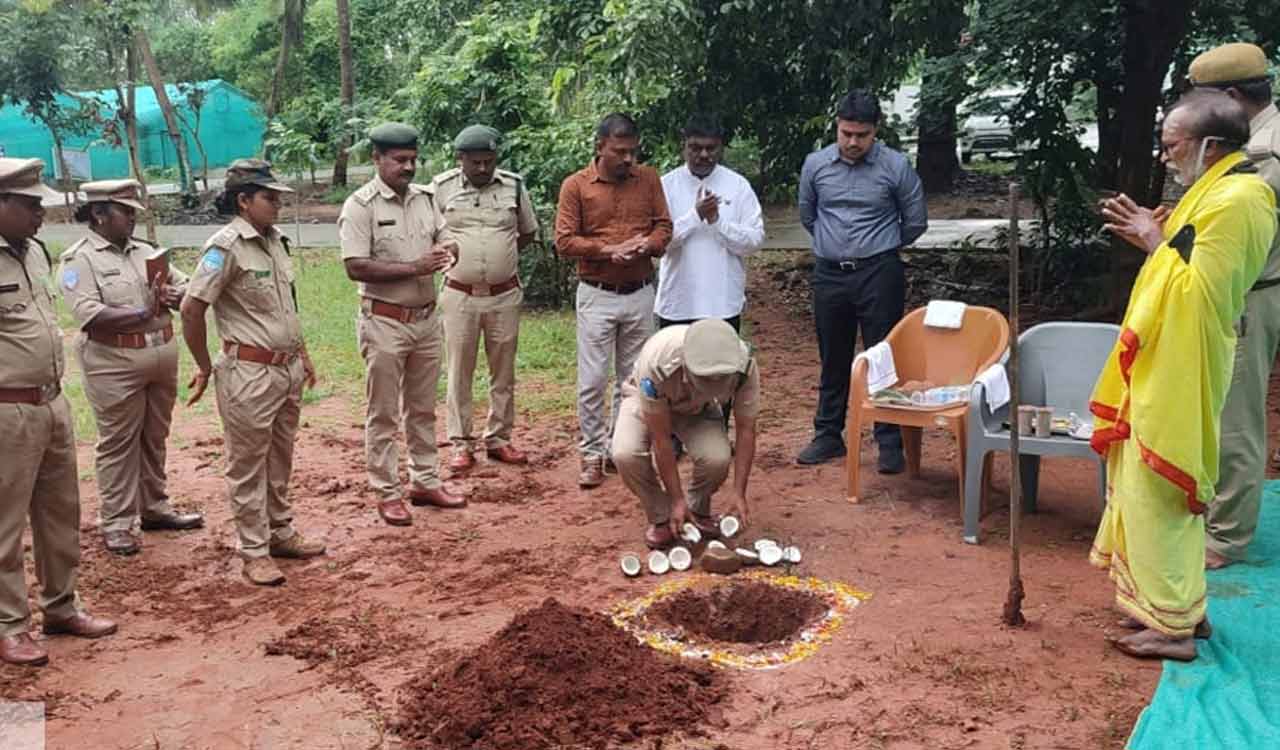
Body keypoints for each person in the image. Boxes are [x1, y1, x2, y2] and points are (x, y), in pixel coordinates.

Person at [1092, 89, 1276, 661]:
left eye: (1174, 146)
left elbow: (1207, 295)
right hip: (1166, 358)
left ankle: (1171, 629)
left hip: (1185, 364)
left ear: (1210, 145)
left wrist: (1153, 239)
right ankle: (1179, 613)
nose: (1166, 157)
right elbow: (1184, 264)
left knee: (1162, 487)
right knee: (1143, 485)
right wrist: (1157, 240)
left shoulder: (1241, 199)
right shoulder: (1214, 190)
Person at [181, 159, 326, 586]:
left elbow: (286, 306)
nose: (277, 204)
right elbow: (192, 309)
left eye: (278, 196)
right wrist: (206, 365)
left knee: (280, 457)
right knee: (247, 464)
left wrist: (304, 354)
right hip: (248, 372)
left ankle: (280, 532)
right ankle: (254, 549)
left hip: (287, 369)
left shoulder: (276, 241)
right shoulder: (224, 247)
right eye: (269, 197)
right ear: (243, 201)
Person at [0, 158, 117, 666]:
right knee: (5, 524)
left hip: (50, 401)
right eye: (30, 206)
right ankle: (9, 625)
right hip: (6, 410)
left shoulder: (35, 254)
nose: (40, 214)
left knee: (59, 513)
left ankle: (62, 605)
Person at [58, 180, 203, 556]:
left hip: (160, 354)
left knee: (154, 435)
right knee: (119, 441)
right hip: (114, 361)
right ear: (99, 213)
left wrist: (176, 295)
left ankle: (154, 507)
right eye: (125, 212)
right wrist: (145, 311)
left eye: (134, 212)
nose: (132, 220)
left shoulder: (146, 252)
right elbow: (89, 314)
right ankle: (118, 522)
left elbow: (188, 286)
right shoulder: (80, 259)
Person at [339, 123, 464, 527]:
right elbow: (355, 266)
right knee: (384, 413)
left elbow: (446, 239)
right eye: (399, 160)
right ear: (376, 159)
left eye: (413, 159)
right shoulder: (361, 206)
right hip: (385, 322)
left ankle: (425, 480)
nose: (408, 167)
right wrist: (415, 266)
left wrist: (451, 251)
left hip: (427, 321)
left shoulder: (427, 198)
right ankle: (387, 492)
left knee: (423, 408)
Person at [795, 90, 927, 470]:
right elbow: (809, 214)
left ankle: (889, 442)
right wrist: (836, 246)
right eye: (846, 133)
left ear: (876, 132)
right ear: (836, 127)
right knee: (832, 355)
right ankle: (827, 435)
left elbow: (915, 220)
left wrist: (878, 247)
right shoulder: (815, 165)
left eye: (862, 135)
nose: (853, 142)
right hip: (830, 275)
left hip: (878, 273)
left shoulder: (896, 166)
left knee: (884, 355)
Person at [1187, 43, 1280, 569]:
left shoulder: (1264, 154)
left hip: (1252, 291)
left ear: (1230, 97)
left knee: (1237, 416)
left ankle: (1225, 537)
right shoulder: (1262, 137)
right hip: (1247, 286)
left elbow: (1240, 232)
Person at [555, 113, 673, 488]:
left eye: (633, 152)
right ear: (600, 147)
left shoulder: (649, 179)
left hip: (639, 292)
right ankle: (591, 453)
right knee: (592, 380)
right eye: (619, 152)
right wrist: (608, 250)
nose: (628, 159)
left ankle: (621, 449)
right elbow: (564, 240)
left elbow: (664, 226)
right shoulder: (576, 186)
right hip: (597, 294)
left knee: (634, 379)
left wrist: (647, 244)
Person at [431, 125, 539, 473]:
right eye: (475, 162)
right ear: (460, 159)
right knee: (459, 369)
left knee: (503, 370)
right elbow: (428, 233)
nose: (482, 168)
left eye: (489, 161)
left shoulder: (513, 185)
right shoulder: (439, 188)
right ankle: (460, 443)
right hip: (459, 295)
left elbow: (527, 232)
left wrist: (497, 261)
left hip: (504, 295)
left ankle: (499, 439)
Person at [611, 320, 759, 548]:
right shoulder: (658, 365)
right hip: (646, 400)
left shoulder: (743, 365)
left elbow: (746, 430)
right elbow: (661, 441)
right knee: (625, 453)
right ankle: (662, 515)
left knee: (717, 458)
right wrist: (676, 499)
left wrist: (739, 492)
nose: (713, 383)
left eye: (719, 379)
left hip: (698, 408)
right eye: (706, 379)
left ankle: (697, 509)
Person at [656, 113, 765, 331]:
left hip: (723, 304)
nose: (704, 155)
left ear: (721, 148)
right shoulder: (666, 185)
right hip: (678, 304)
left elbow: (754, 241)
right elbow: (659, 244)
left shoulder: (738, 185)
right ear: (684, 146)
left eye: (711, 148)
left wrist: (717, 221)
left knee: (722, 365)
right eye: (695, 148)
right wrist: (695, 216)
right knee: (674, 365)